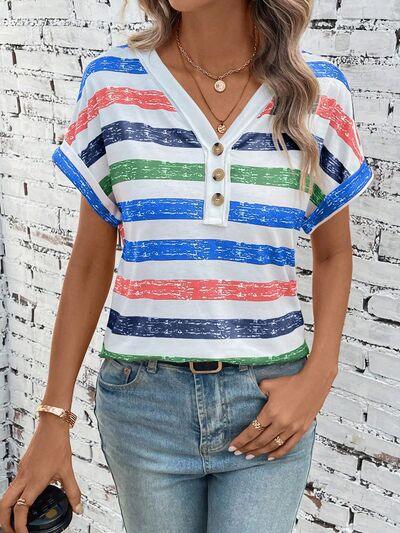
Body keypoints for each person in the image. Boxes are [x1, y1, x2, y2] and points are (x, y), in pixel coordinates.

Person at [0, 0, 375, 532]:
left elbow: (334, 250)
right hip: (142, 406)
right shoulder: (112, 84)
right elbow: (89, 259)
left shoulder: (318, 92)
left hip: (267, 406)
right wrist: (53, 418)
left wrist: (320, 374)